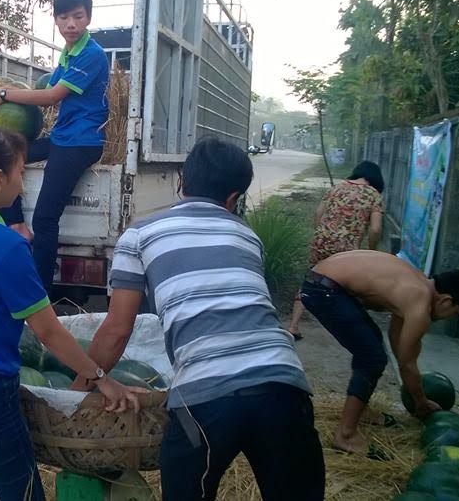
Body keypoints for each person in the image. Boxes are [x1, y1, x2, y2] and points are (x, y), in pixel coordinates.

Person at [72, 137, 325, 501]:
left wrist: (77, 392)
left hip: (206, 401)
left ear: (181, 183)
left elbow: (116, 329)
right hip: (284, 387)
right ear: (234, 199)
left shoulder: (139, 235)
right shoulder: (248, 237)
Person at [0, 125, 143, 501]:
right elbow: (48, 333)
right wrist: (100, 377)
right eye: (20, 172)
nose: (23, 183)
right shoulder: (5, 245)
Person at [0, 0, 110, 290]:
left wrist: (3, 93)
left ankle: (39, 295)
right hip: (62, 138)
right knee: (4, 153)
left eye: (78, 17)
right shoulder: (69, 53)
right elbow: (44, 88)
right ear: (55, 20)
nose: (71, 24)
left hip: (80, 144)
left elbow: (52, 96)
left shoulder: (92, 55)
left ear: (88, 18)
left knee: (45, 219)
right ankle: (15, 224)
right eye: (64, 17)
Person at [301, 250, 459, 454]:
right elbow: (406, 365)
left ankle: (362, 411)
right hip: (323, 289)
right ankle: (345, 435)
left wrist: (413, 385)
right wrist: (420, 401)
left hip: (319, 280)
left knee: (373, 345)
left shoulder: (416, 286)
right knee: (372, 357)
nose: (450, 317)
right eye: (456, 313)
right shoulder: (420, 305)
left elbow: (400, 347)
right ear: (446, 301)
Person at [288, 161, 386, 340]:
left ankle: (293, 326)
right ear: (376, 178)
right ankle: (346, 328)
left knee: (311, 280)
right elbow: (375, 229)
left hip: (321, 242)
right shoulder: (373, 195)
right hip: (346, 251)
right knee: (349, 288)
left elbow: (318, 213)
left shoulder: (337, 187)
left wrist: (323, 235)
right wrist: (372, 251)